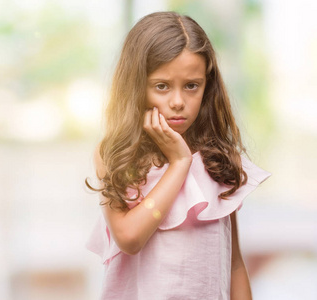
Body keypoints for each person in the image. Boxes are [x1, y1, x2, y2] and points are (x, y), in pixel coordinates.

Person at [86, 11, 270, 300]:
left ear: (207, 87)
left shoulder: (218, 158)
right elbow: (130, 238)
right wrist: (179, 163)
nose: (177, 102)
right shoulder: (115, 155)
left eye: (191, 86)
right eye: (161, 86)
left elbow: (234, 264)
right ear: (136, 86)